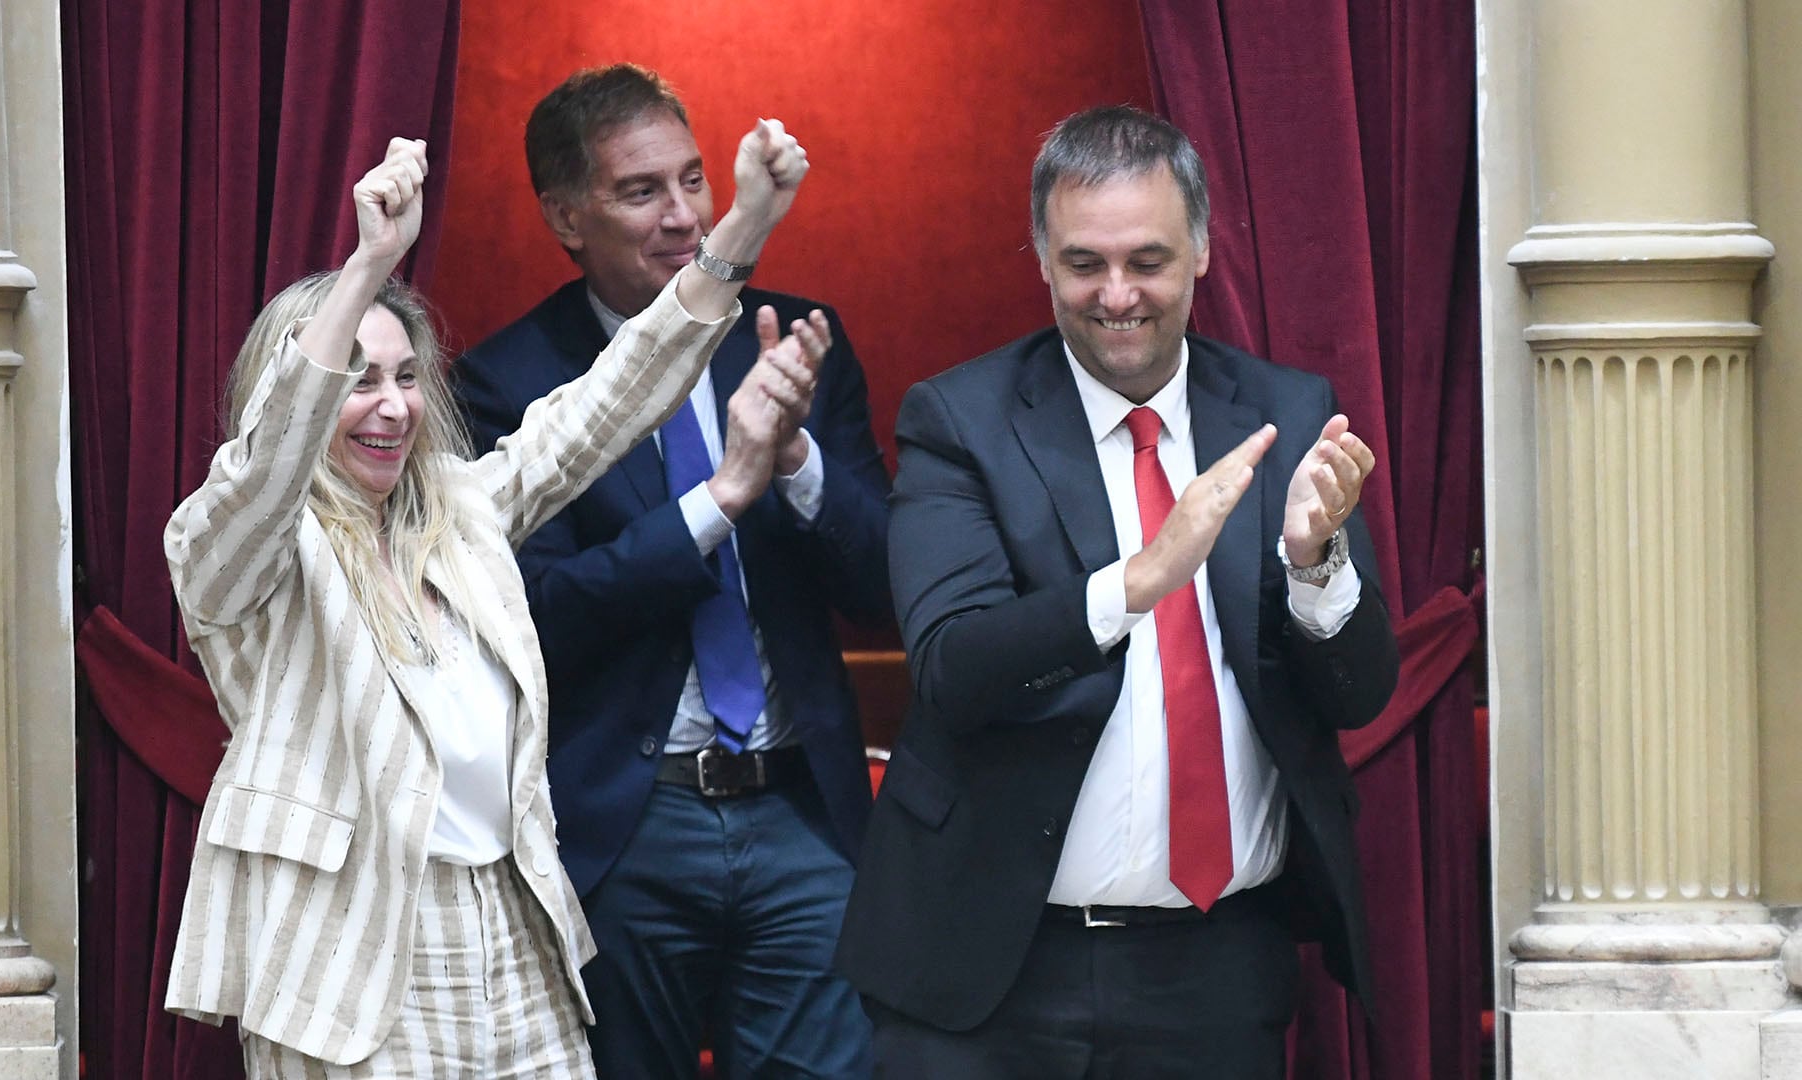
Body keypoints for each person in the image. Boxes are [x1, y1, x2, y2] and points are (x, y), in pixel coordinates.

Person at [162, 121, 821, 1079]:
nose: (389, 406)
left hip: (514, 929)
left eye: (401, 379)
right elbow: (266, 470)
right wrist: (368, 265)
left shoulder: (459, 513)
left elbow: (614, 396)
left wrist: (746, 226)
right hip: (359, 952)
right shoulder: (243, 550)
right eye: (353, 382)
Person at [835, 105, 1402, 1079]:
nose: (1118, 294)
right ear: (1043, 261)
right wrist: (1138, 581)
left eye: (1148, 260)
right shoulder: (960, 420)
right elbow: (952, 667)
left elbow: (1358, 694)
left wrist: (1316, 564)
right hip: (994, 964)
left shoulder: (1284, 413)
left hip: (1219, 964)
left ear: (1204, 251)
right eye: (1084, 263)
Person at [450, 64, 887, 1080]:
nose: (685, 215)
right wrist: (717, 502)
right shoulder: (509, 382)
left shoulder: (791, 342)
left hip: (800, 814)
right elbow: (537, 614)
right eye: (641, 191)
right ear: (566, 215)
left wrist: (795, 465)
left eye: (694, 180)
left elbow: (887, 583)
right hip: (626, 825)